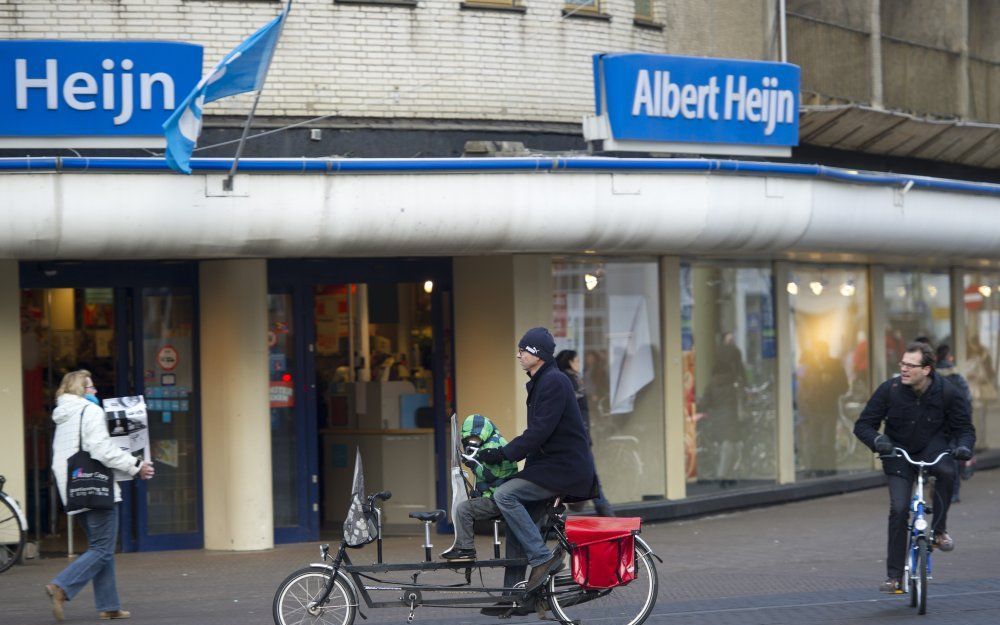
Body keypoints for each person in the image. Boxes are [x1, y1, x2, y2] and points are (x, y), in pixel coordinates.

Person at [475, 327, 596, 604]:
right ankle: (514, 597)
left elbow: (539, 432)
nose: (518, 355)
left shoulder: (553, 381)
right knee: (518, 525)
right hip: (550, 466)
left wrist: (503, 454)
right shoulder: (544, 380)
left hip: (564, 468)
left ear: (537, 354)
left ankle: (543, 558)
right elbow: (540, 436)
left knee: (505, 495)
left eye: (523, 350)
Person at [853, 342, 975, 593]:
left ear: (927, 369)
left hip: (934, 448)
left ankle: (939, 531)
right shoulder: (890, 390)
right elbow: (863, 425)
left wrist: (963, 448)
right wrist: (879, 441)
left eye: (911, 365)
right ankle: (894, 577)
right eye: (902, 364)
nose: (904, 369)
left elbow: (964, 429)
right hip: (897, 452)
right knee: (898, 509)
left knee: (947, 472)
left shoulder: (948, 393)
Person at [46, 370, 155, 622]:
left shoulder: (64, 416)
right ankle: (61, 586)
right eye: (91, 387)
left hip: (74, 488)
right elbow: (102, 450)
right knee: (103, 549)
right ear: (81, 390)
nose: (95, 391)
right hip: (98, 488)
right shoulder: (90, 411)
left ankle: (109, 605)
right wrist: (135, 465)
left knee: (100, 547)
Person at [440, 414, 520, 561]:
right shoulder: (490, 441)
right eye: (469, 439)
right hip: (497, 495)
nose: (472, 442)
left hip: (499, 499)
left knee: (463, 509)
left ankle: (465, 548)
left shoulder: (493, 446)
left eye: (475, 438)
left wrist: (473, 464)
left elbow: (493, 476)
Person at [555, 349, 614, 517]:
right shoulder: (569, 381)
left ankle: (603, 509)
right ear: (569, 362)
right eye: (577, 360)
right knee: (590, 474)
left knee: (585, 474)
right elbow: (576, 412)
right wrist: (584, 437)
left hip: (577, 437)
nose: (579, 364)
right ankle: (605, 511)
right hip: (577, 438)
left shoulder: (572, 379)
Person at [697, 332, 746, 487]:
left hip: (717, 418)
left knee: (727, 444)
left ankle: (725, 475)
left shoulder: (712, 383)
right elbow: (741, 397)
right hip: (731, 417)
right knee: (732, 445)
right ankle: (724, 475)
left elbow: (705, 402)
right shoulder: (734, 381)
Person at [797, 341, 848, 476]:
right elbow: (804, 387)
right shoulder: (811, 367)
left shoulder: (834, 366)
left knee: (826, 442)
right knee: (815, 443)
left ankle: (829, 469)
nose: (819, 355)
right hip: (814, 410)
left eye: (821, 351)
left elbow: (844, 387)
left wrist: (831, 384)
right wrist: (808, 399)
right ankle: (817, 469)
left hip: (828, 409)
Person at [935, 344, 974, 503]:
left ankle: (940, 489)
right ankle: (954, 491)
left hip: (938, 423)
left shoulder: (932, 375)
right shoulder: (957, 376)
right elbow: (967, 398)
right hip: (955, 422)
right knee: (954, 458)